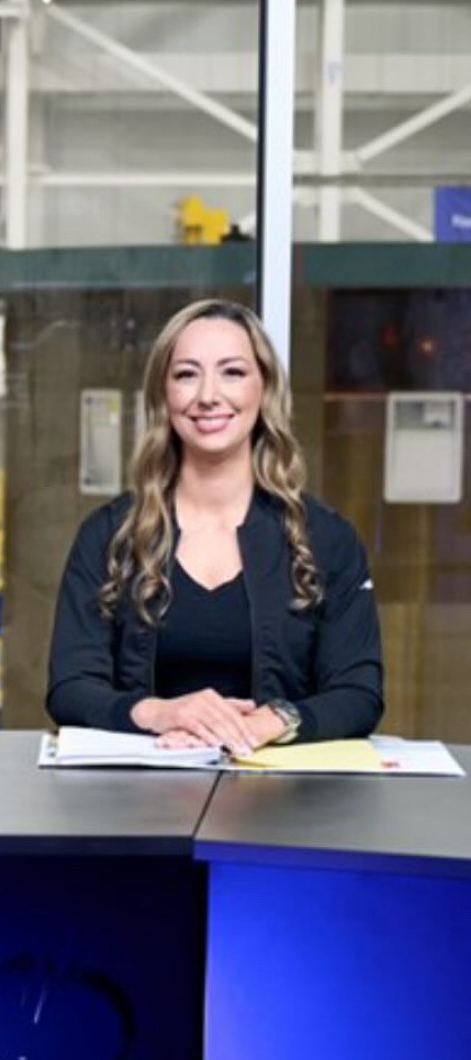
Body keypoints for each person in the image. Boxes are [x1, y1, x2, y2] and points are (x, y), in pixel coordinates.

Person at [47, 299, 383, 753]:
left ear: (264, 389)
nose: (208, 395)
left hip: (284, 808)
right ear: (164, 395)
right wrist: (159, 713)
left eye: (232, 372)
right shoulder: (109, 537)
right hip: (135, 803)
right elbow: (70, 686)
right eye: (186, 374)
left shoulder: (326, 540)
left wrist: (274, 721)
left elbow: (360, 693)